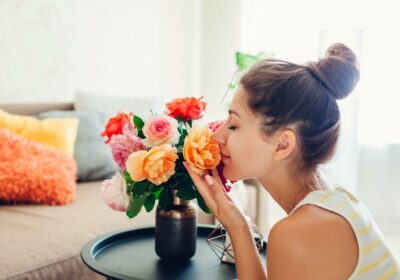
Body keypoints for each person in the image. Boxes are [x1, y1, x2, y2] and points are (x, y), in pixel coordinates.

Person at [183, 43, 400, 279]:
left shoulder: (298, 235)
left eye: (234, 125)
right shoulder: (337, 202)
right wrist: (238, 225)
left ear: (283, 144)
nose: (217, 135)